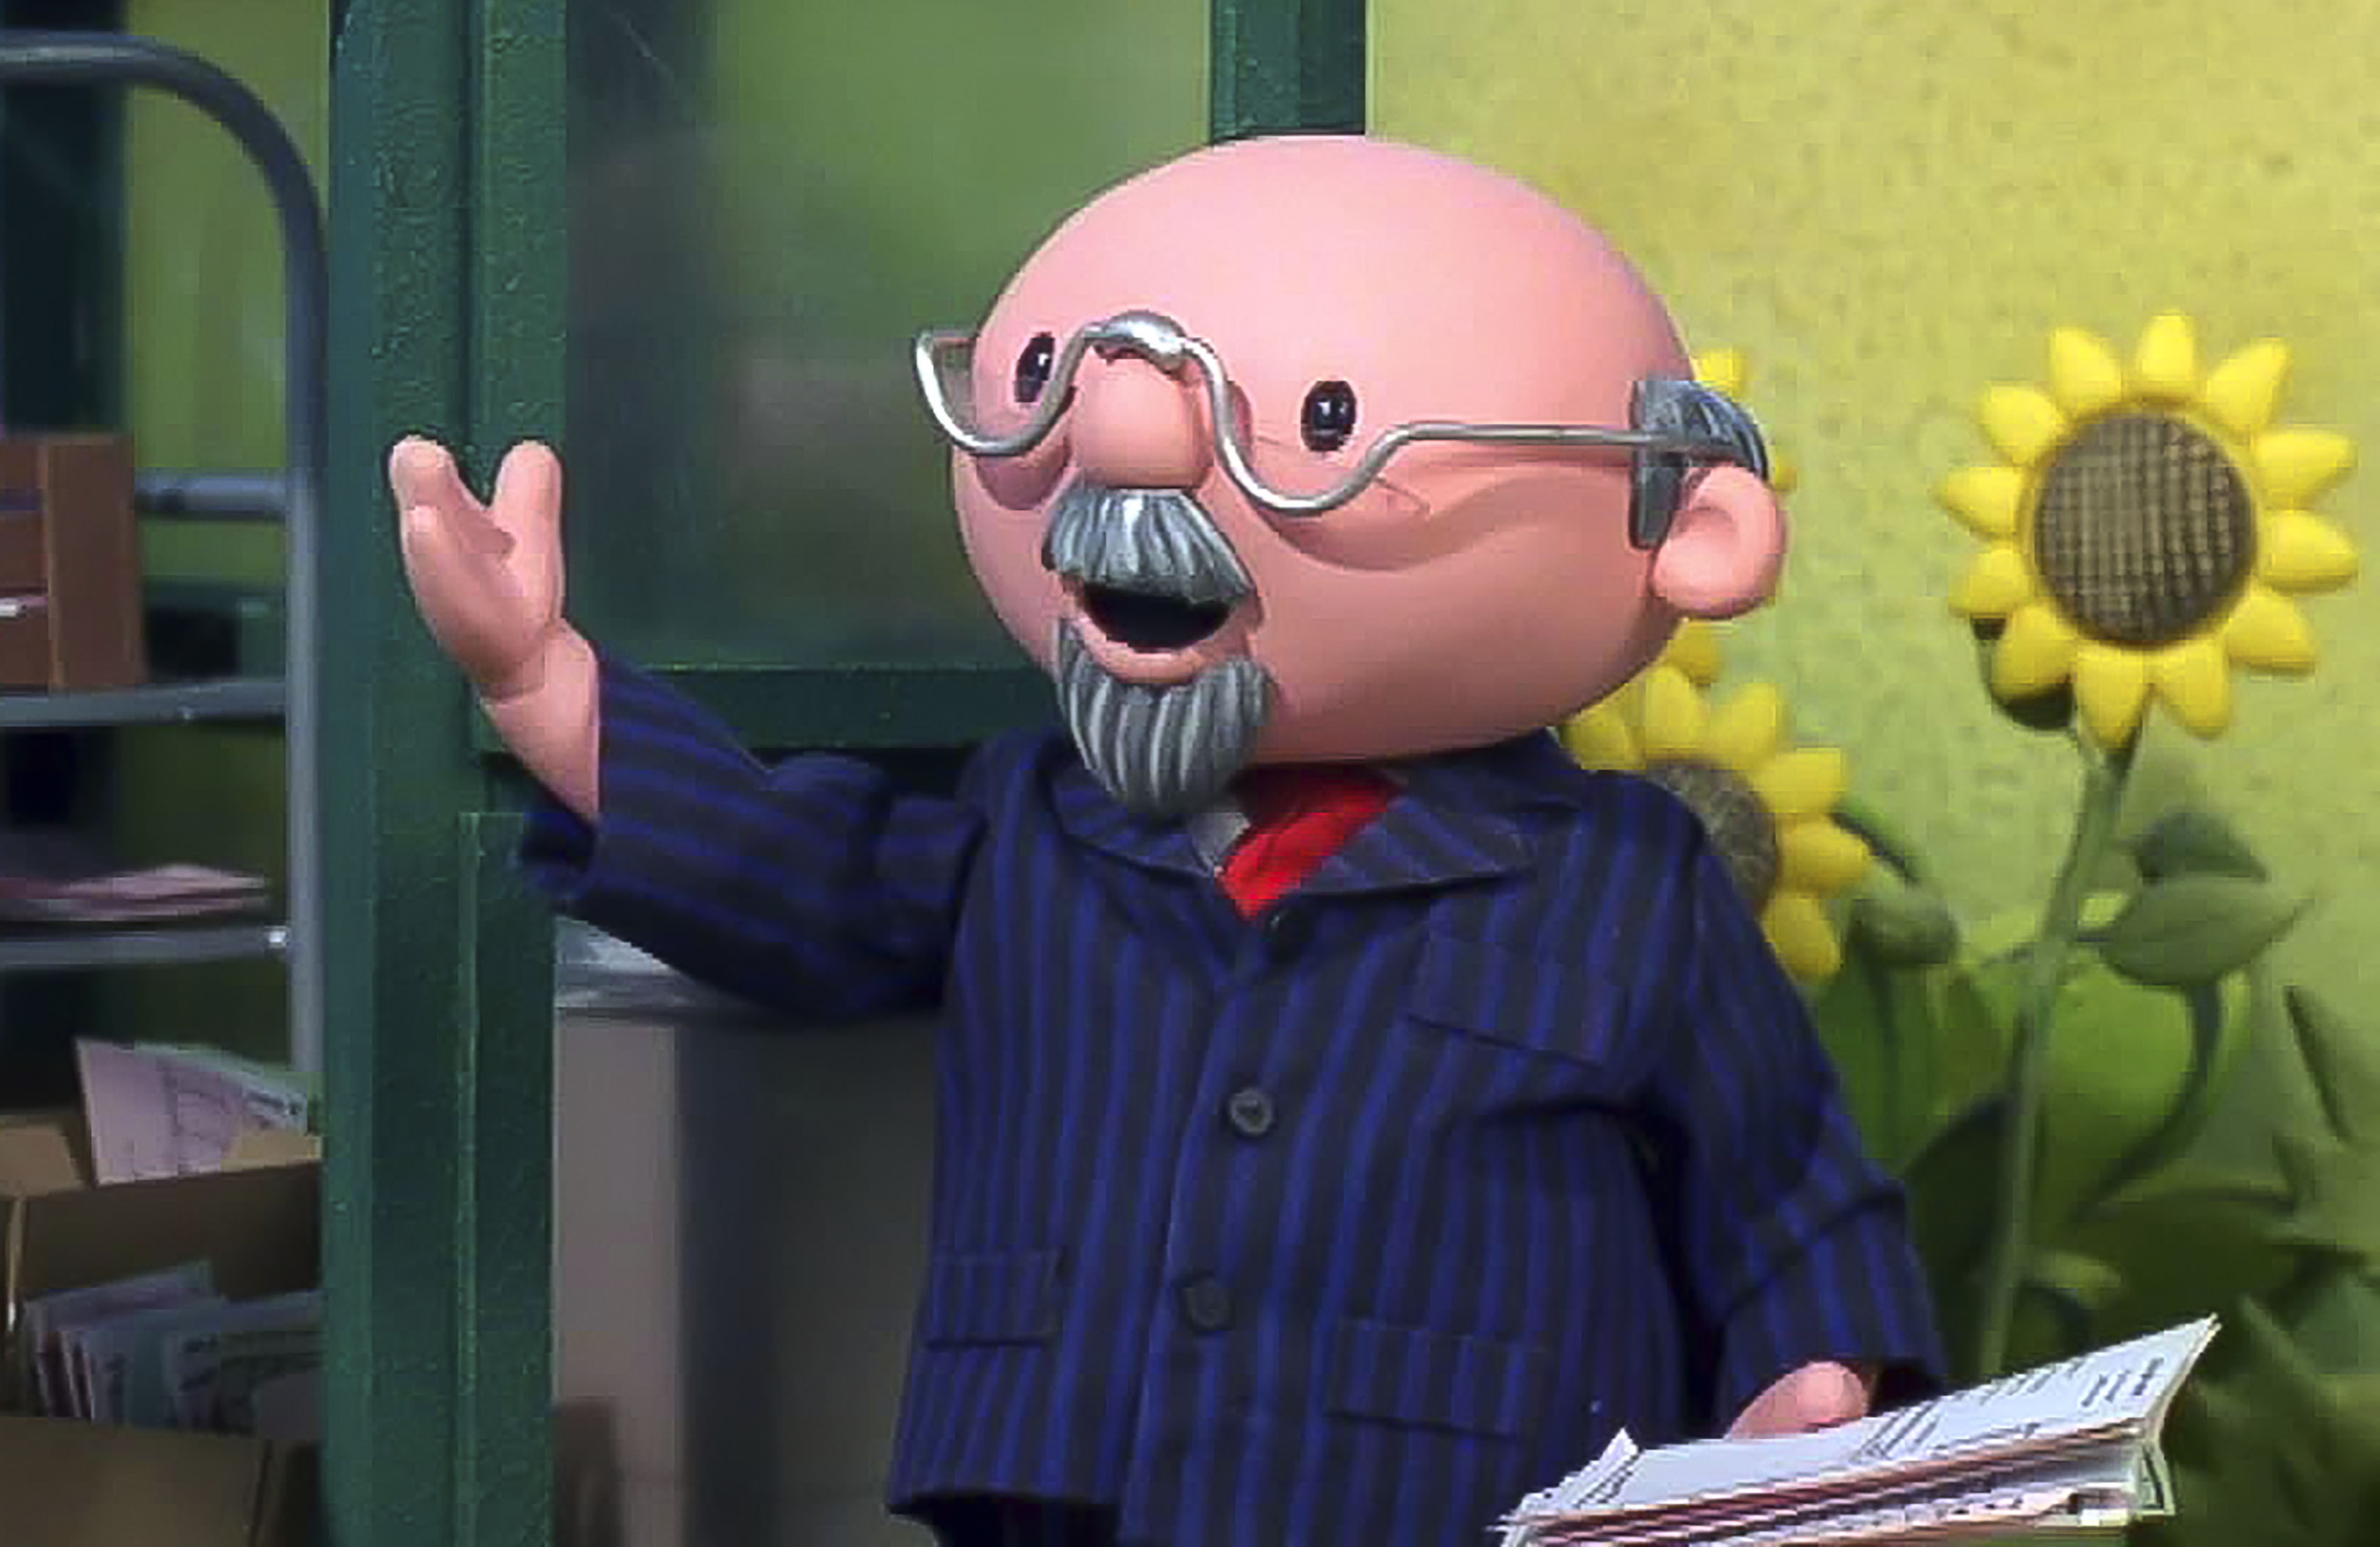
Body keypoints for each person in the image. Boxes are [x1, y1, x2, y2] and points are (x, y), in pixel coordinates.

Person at [391, 132, 1942, 1547]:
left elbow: (1785, 1184)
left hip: (1457, 1482)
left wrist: (1807, 1401)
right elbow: (800, 877)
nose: (1129, 441)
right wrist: (548, 687)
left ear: (1689, 533)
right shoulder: (1029, 824)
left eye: (1322, 426)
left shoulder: (1624, 880)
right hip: (1071, 1473)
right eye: (1056, 379)